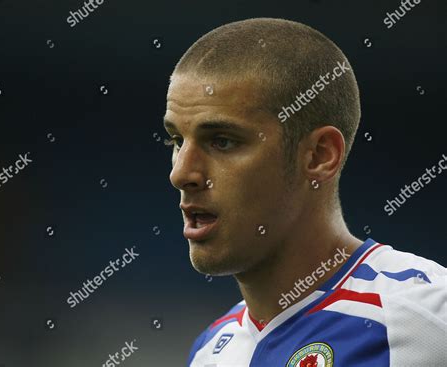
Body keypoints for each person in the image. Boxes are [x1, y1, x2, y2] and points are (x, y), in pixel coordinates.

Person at [163, 18, 446, 366]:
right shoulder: (210, 352)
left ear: (319, 156)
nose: (180, 173)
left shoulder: (427, 318)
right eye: (177, 140)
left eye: (222, 141)